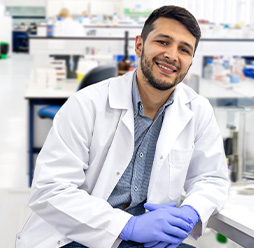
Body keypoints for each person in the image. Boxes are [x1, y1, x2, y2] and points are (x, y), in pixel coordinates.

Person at [16, 5, 230, 248]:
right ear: (139, 45)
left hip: (150, 240)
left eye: (184, 49)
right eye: (163, 42)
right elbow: (50, 189)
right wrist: (127, 226)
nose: (172, 55)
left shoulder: (197, 110)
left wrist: (190, 213)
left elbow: (211, 178)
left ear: (190, 62)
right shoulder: (86, 104)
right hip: (76, 236)